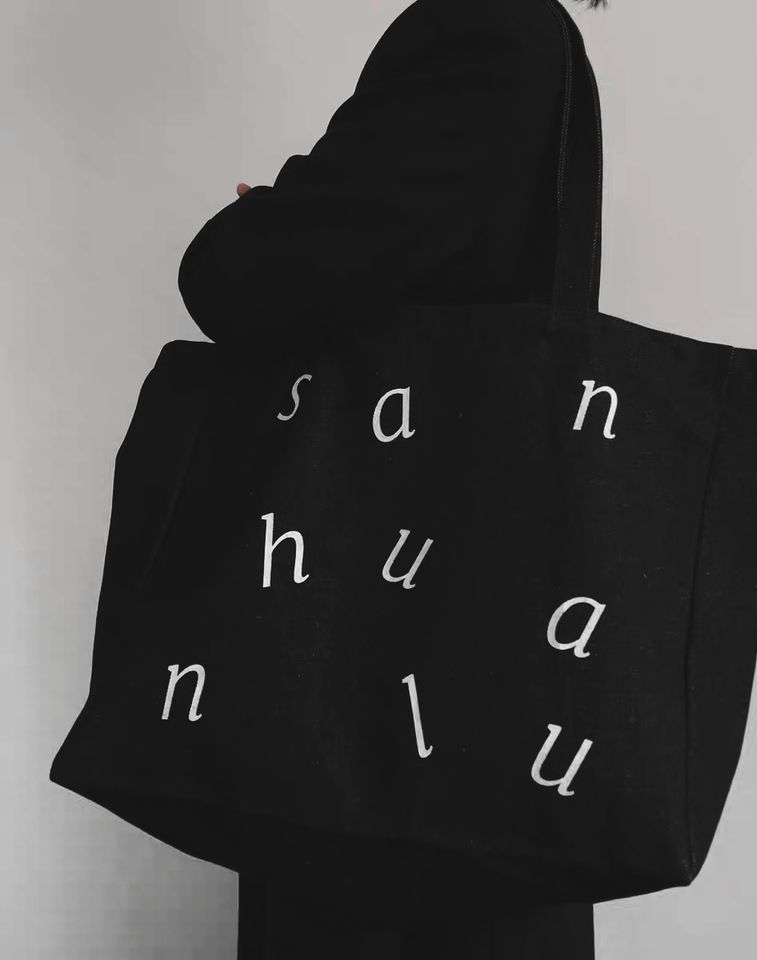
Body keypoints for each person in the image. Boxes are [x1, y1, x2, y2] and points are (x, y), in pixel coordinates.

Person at [177, 0, 606, 955]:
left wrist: (264, 215)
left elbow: (245, 281)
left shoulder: (479, 26)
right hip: (463, 654)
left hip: (380, 666)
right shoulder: (532, 34)